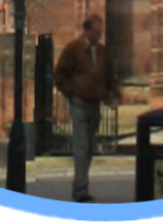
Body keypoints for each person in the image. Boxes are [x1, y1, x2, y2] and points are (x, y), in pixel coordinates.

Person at [54, 13, 120, 201]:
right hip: (80, 104)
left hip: (95, 103)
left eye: (101, 33)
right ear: (87, 30)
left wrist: (113, 95)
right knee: (82, 145)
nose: (99, 37)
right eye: (96, 33)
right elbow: (59, 75)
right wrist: (72, 92)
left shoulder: (101, 52)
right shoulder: (73, 49)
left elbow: (109, 76)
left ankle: (80, 185)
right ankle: (81, 190)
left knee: (89, 146)